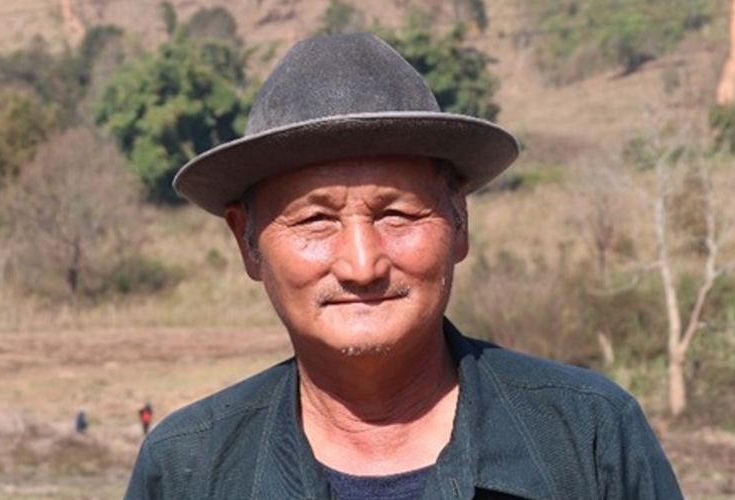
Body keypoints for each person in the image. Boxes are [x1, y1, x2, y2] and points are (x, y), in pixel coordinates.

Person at [124, 33, 683, 500]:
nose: (362, 265)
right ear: (248, 244)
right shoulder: (186, 469)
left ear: (459, 224)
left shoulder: (587, 438)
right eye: (316, 220)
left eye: (397, 214)